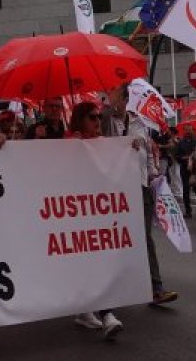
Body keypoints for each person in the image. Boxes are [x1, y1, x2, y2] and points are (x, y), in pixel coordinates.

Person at [106, 83, 179, 305]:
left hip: (140, 186)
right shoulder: (105, 121)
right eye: (113, 94)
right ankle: (114, 287)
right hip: (115, 191)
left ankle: (156, 288)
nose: (113, 99)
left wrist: (153, 173)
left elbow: (146, 152)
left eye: (116, 94)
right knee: (116, 239)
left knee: (144, 237)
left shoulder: (137, 121)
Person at [68, 101, 125, 340]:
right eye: (92, 117)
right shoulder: (66, 144)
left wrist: (133, 146)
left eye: (99, 117)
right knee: (85, 264)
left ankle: (105, 312)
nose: (98, 122)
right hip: (74, 216)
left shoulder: (107, 145)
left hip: (99, 215)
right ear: (80, 120)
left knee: (99, 262)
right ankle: (95, 311)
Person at [174, 126, 196, 218]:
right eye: (186, 130)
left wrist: (192, 158)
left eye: (189, 130)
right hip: (184, 168)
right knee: (186, 189)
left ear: (192, 131)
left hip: (195, 169)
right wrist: (183, 158)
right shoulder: (181, 143)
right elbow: (177, 155)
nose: (187, 132)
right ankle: (188, 210)